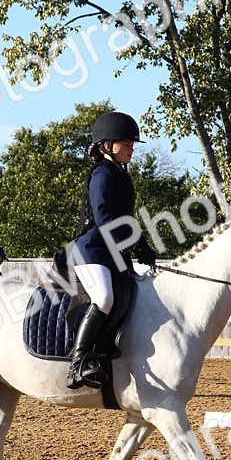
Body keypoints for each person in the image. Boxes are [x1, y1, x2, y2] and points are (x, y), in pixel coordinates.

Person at [66, 111, 157, 389]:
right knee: (104, 298)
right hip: (92, 248)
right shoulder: (102, 174)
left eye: (131, 145)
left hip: (112, 251)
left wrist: (143, 246)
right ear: (107, 146)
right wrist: (134, 243)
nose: (131, 149)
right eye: (126, 144)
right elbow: (105, 218)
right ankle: (78, 362)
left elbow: (125, 219)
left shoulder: (120, 173)